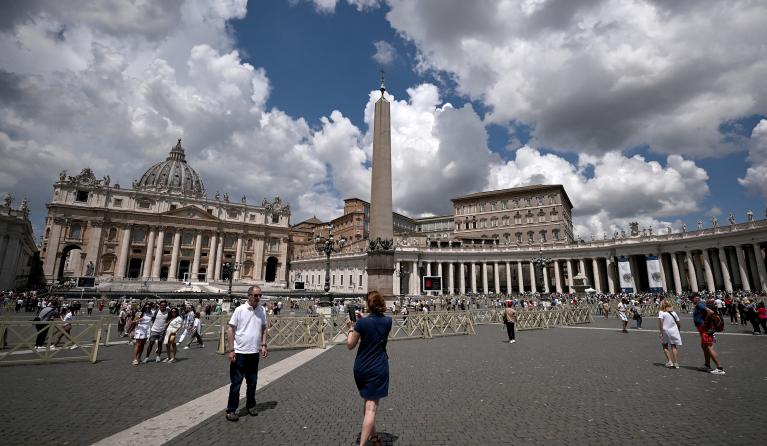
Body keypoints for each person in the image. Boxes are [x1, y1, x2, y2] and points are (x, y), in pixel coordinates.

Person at [347, 290, 392, 446]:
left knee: (368, 405)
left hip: (361, 367)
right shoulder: (388, 322)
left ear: (368, 304)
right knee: (371, 407)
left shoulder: (361, 323)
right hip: (379, 366)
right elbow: (376, 326)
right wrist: (361, 322)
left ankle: (373, 437)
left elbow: (350, 345)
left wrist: (352, 327)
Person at [225, 286, 268, 422]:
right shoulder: (240, 310)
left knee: (252, 382)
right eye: (256, 295)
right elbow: (231, 330)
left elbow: (264, 328)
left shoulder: (262, 310)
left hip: (254, 352)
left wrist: (264, 345)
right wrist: (231, 349)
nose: (258, 298)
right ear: (248, 295)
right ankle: (231, 410)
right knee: (236, 383)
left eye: (260, 295)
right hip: (240, 352)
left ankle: (251, 405)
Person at [692, 295, 725, 375]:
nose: (695, 299)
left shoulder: (700, 304)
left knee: (708, 347)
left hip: (705, 329)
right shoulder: (699, 305)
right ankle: (707, 365)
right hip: (703, 329)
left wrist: (705, 322)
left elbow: (710, 312)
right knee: (704, 346)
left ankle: (719, 367)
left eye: (696, 298)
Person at [658, 300, 681, 368]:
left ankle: (670, 361)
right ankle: (676, 363)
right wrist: (678, 330)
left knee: (665, 346)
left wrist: (661, 332)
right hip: (674, 331)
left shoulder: (661, 312)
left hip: (665, 331)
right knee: (674, 346)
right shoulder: (673, 312)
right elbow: (679, 323)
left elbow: (661, 323)